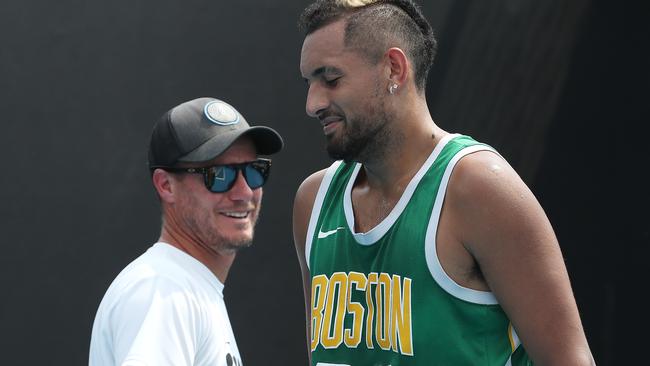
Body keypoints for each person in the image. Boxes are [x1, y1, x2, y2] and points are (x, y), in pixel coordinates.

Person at [292, 1, 595, 365]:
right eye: (310, 82)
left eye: (331, 79)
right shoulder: (313, 202)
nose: (312, 103)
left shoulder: (479, 189)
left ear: (393, 68)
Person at [89, 97, 283, 366]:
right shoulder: (163, 290)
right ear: (166, 185)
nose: (244, 192)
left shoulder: (184, 287)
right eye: (219, 174)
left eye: (254, 171)